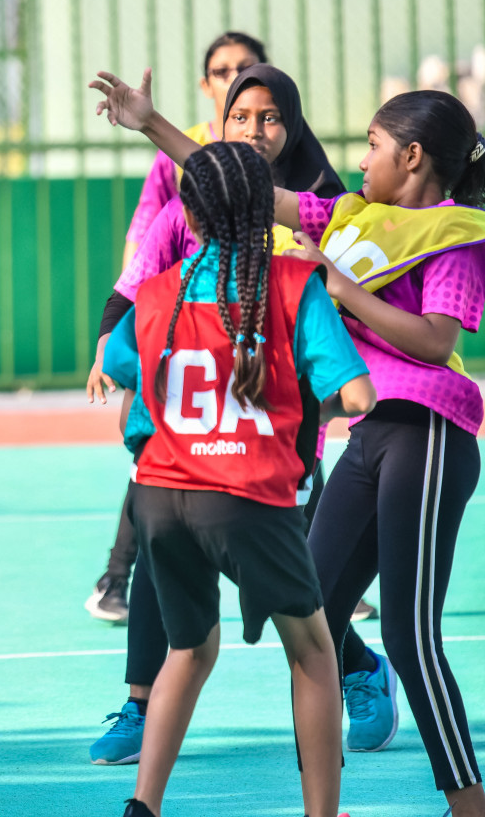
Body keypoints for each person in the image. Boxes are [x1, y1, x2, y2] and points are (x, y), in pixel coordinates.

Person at [97, 71, 485, 816]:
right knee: (317, 614)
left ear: (411, 157)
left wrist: (340, 287)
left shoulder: (457, 238)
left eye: (372, 146)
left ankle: (466, 799)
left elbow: (437, 344)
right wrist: (151, 124)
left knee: (411, 638)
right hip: (370, 437)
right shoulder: (347, 213)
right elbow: (234, 186)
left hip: (430, 432)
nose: (358, 160)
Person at [85, 66, 388, 766]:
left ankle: (359, 668)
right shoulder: (181, 216)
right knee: (168, 573)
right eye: (241, 115)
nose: (255, 129)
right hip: (185, 441)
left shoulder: (321, 214)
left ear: (296, 125)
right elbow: (130, 297)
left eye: (271, 116)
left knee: (301, 588)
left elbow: (346, 326)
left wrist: (290, 383)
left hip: (275, 437)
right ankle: (140, 704)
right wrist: (112, 350)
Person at [88, 31, 268, 624]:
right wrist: (116, 348)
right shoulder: (175, 175)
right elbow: (142, 250)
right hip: (183, 339)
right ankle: (119, 577)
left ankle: (317, 570)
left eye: (245, 69)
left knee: (285, 451)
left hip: (256, 347)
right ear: (207, 83)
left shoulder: (286, 166)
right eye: (223, 72)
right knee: (159, 458)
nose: (233, 78)